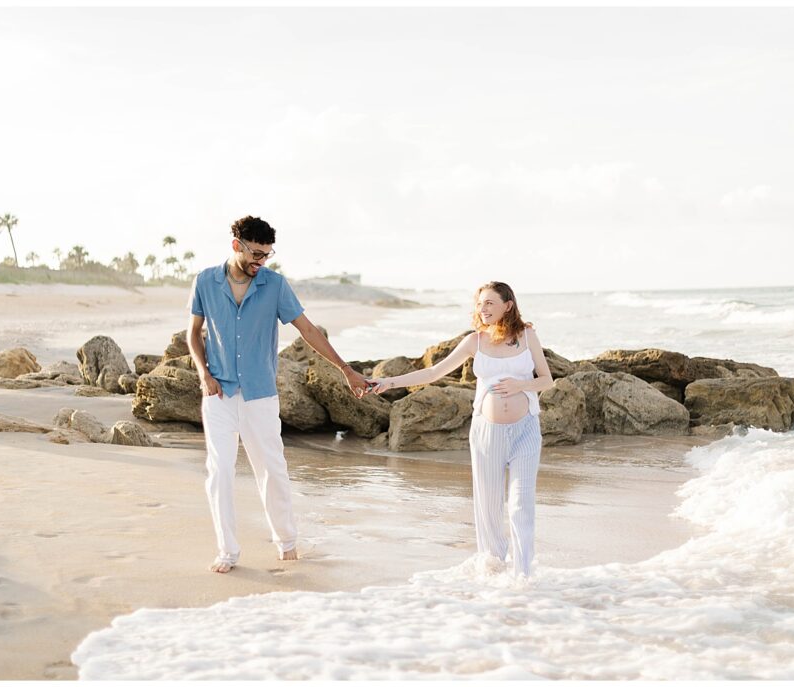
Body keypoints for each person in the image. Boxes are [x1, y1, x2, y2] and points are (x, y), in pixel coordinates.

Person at [187, 215, 370, 574]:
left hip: (260, 394)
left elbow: (307, 330)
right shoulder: (205, 281)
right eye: (255, 254)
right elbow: (193, 333)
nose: (261, 261)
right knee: (219, 472)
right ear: (237, 245)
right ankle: (227, 551)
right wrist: (203, 374)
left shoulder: (274, 285)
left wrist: (346, 369)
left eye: (267, 255)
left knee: (272, 470)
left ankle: (286, 542)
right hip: (219, 394)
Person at [369, 282, 554, 577]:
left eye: (490, 303)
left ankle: (523, 577)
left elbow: (547, 380)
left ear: (508, 305)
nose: (483, 309)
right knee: (489, 507)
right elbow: (434, 372)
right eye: (480, 304)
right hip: (487, 433)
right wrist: (388, 382)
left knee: (521, 504)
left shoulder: (527, 335)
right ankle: (493, 571)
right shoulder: (474, 342)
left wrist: (521, 385)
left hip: (525, 430)